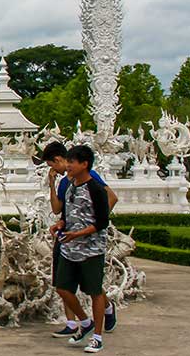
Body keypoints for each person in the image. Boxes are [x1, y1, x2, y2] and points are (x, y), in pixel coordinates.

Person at [41, 142, 118, 339]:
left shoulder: (90, 180)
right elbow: (58, 209)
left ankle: (104, 314)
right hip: (67, 238)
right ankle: (73, 323)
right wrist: (64, 223)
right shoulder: (67, 183)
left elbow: (111, 198)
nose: (58, 169)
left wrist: (93, 225)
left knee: (91, 284)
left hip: (88, 242)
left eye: (52, 165)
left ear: (59, 160)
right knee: (63, 284)